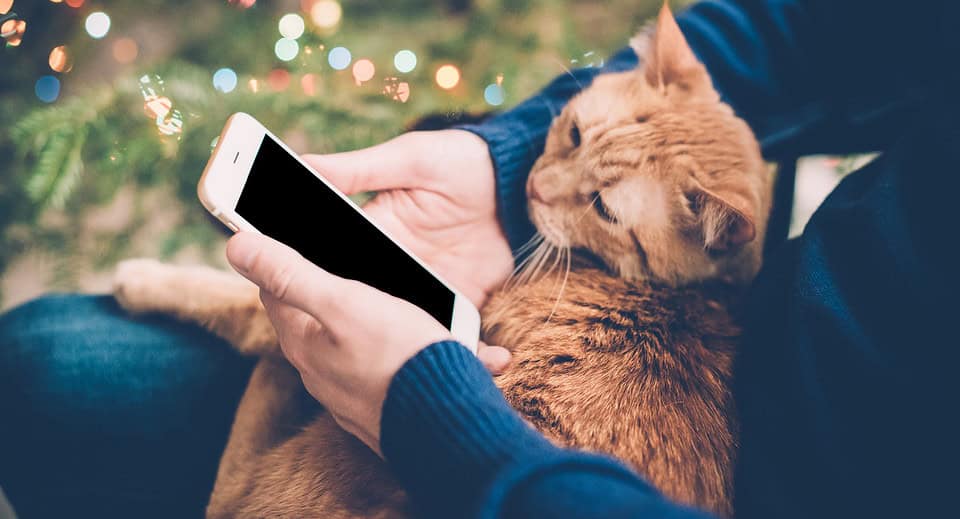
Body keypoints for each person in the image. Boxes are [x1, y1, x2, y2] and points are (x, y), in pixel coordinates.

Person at [2, 0, 958, 517]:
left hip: (559, 473)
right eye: (570, 137)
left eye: (597, 202)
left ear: (713, 239)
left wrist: (430, 414)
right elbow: (823, 30)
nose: (550, 187)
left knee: (47, 375)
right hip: (723, 377)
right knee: (40, 358)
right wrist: (501, 160)